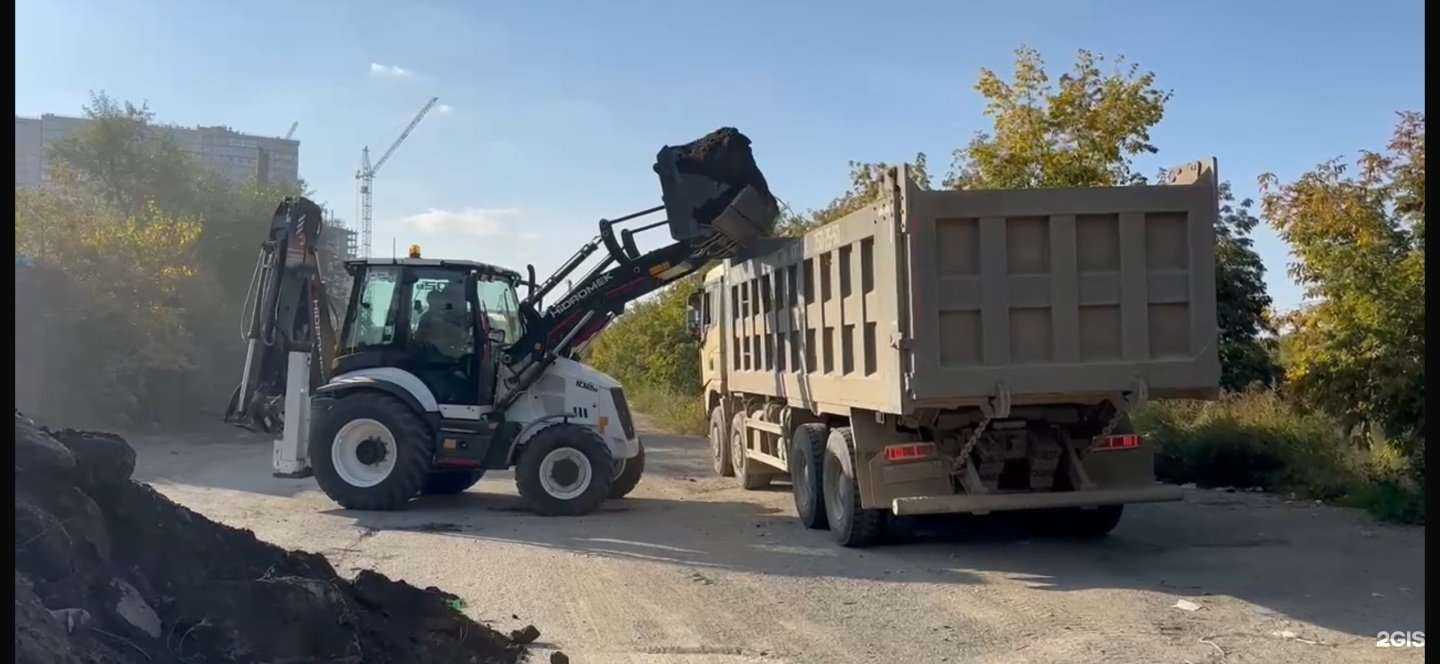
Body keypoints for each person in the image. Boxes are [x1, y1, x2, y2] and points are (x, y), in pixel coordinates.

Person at [412, 286, 471, 359]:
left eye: (438, 300)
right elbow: (419, 339)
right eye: (434, 300)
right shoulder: (425, 318)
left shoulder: (450, 318)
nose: (437, 303)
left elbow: (462, 337)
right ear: (429, 301)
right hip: (428, 356)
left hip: (451, 358)